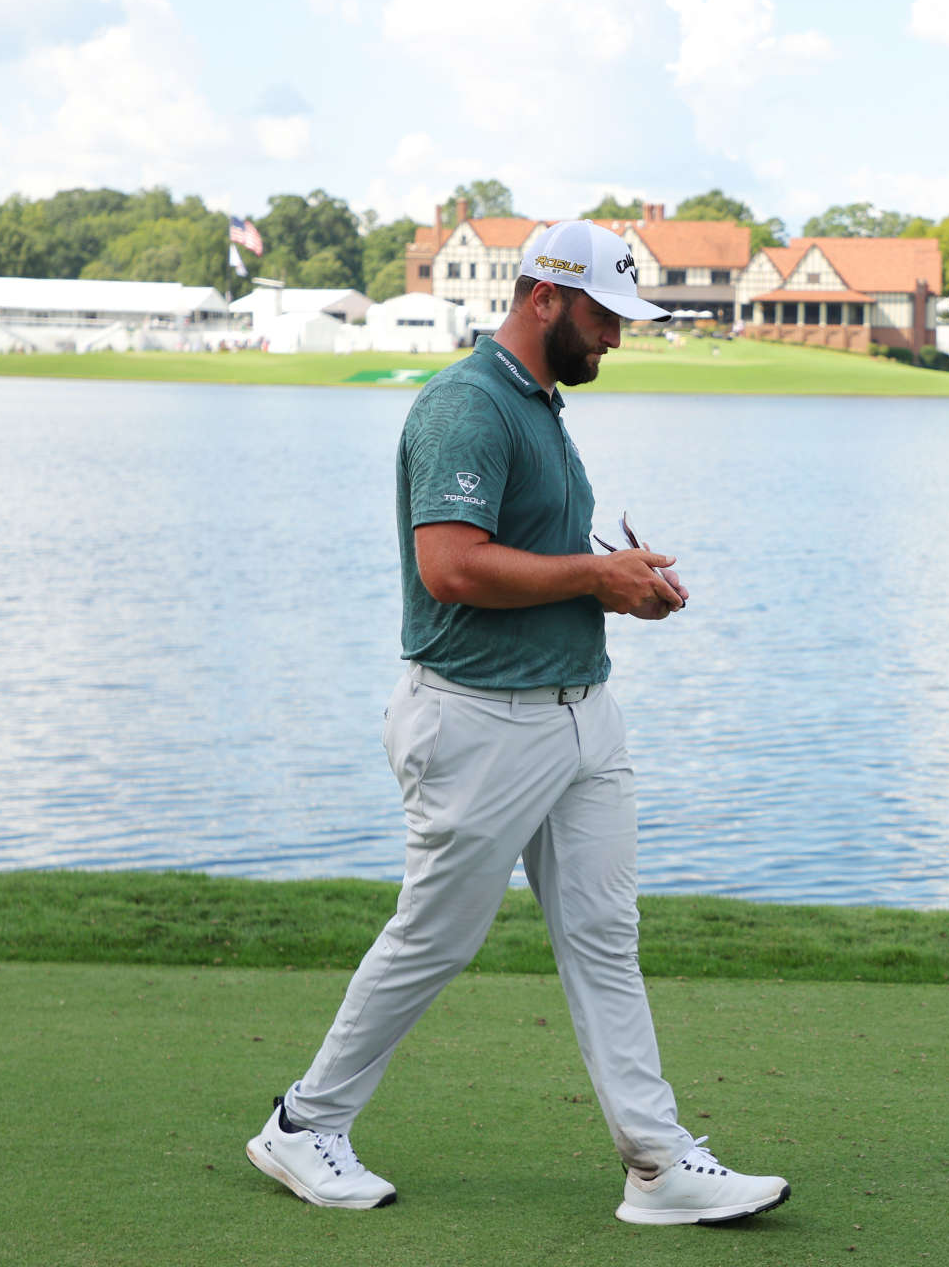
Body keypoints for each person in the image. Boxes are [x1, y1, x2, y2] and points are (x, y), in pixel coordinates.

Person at [246, 220, 791, 1226]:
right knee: (436, 936)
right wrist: (596, 573)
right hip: (478, 718)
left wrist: (620, 587)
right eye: (603, 316)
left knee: (603, 935)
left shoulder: (540, 403)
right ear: (545, 298)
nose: (616, 339)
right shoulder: (466, 404)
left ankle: (657, 1160)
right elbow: (451, 565)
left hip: (580, 713)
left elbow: (530, 551)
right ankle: (302, 1123)